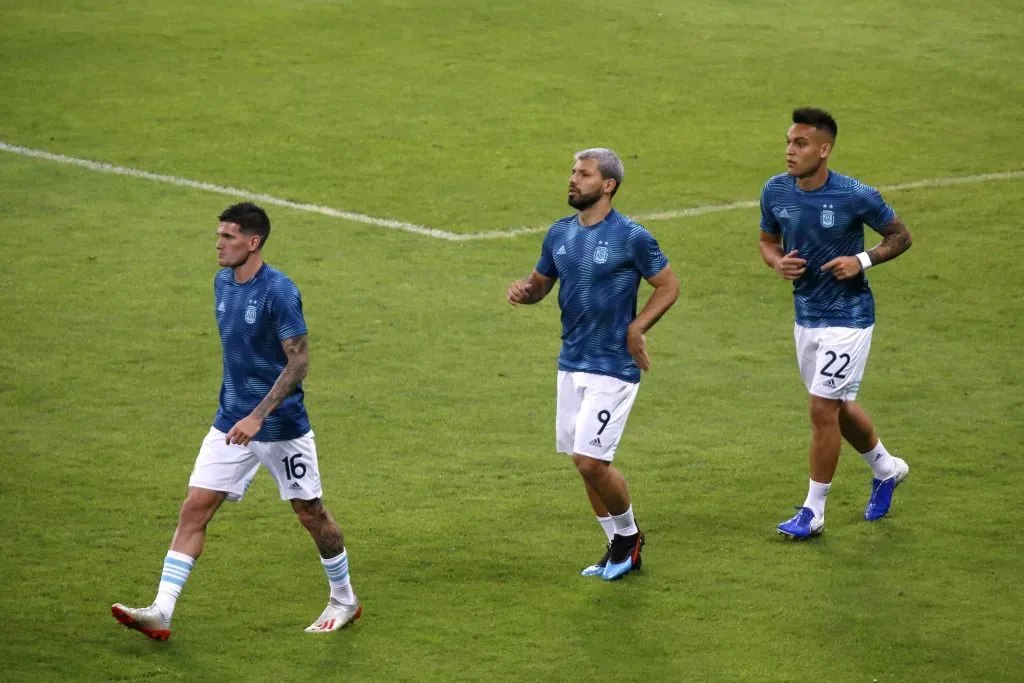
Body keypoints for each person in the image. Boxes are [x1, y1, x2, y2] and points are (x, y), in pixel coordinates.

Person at [111, 202, 360, 639]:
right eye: (218, 236)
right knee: (195, 508)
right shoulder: (222, 283)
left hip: (280, 428)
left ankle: (344, 598)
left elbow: (299, 363)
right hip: (230, 422)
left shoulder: (279, 292)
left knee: (311, 514)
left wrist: (259, 416)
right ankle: (161, 611)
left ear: (253, 241)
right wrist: (240, 415)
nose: (219, 245)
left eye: (227, 237)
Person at [507, 148, 679, 579]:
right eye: (572, 172)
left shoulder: (632, 236)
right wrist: (525, 293)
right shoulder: (559, 234)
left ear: (608, 186)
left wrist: (637, 328)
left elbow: (668, 286)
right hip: (572, 362)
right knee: (582, 463)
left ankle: (629, 538)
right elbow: (541, 284)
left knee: (591, 461)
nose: (572, 179)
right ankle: (617, 544)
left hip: (614, 366)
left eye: (583, 174)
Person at [758, 108, 914, 539]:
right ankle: (887, 469)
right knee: (837, 406)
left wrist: (861, 260)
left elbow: (901, 236)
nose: (791, 150)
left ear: (824, 150)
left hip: (849, 317)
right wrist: (778, 264)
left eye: (801, 144)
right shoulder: (775, 191)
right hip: (806, 316)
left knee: (821, 407)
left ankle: (813, 511)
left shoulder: (855, 195)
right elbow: (767, 241)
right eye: (789, 142)